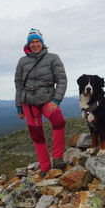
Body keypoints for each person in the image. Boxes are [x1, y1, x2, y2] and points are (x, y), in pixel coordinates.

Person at [14, 28, 67, 176]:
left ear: (42, 43)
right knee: (37, 135)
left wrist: (56, 99)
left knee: (59, 122)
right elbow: (18, 85)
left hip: (48, 99)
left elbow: (62, 79)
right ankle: (44, 166)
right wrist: (19, 107)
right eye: (32, 42)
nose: (35, 44)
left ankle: (57, 158)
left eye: (38, 41)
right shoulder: (22, 61)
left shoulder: (53, 58)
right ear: (28, 44)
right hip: (28, 103)